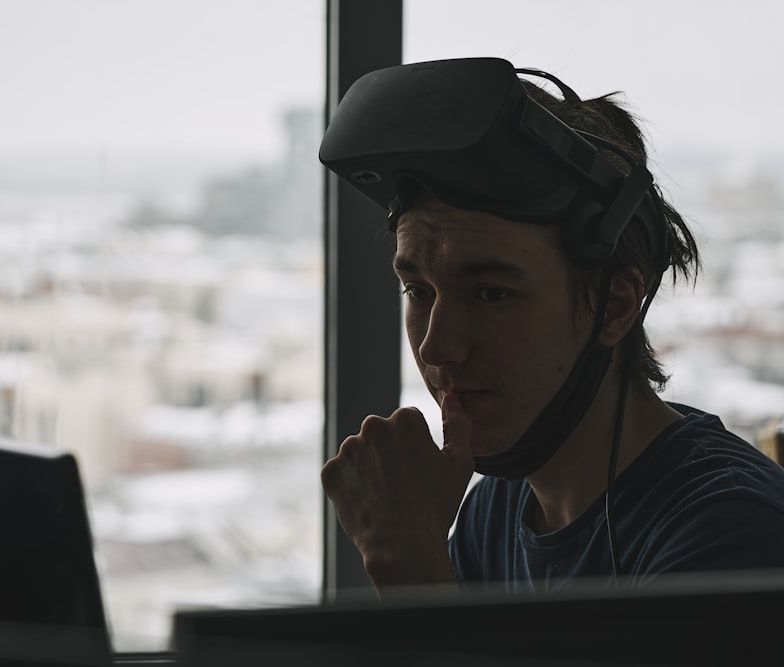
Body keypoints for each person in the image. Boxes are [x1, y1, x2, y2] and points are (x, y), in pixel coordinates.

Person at [318, 57, 784, 593]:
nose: (437, 346)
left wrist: (409, 563)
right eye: (419, 292)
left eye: (492, 294)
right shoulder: (495, 509)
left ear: (614, 305)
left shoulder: (729, 535)